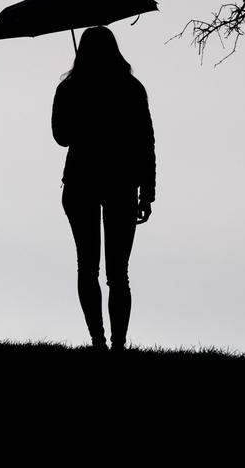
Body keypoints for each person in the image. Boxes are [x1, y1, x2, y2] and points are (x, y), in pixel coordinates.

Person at [51, 25, 156, 352]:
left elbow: (61, 136)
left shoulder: (69, 89)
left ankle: (100, 342)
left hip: (83, 182)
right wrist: (147, 190)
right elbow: (145, 142)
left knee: (89, 268)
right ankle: (116, 345)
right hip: (121, 182)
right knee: (117, 273)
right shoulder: (131, 88)